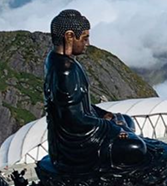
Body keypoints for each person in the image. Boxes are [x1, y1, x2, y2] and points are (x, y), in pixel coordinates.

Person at [44, 9, 148, 173]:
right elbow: (73, 120)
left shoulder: (59, 60)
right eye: (84, 38)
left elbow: (80, 105)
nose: (88, 43)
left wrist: (105, 115)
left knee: (125, 120)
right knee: (135, 147)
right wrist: (112, 127)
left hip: (84, 129)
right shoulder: (65, 70)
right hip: (74, 145)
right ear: (70, 36)